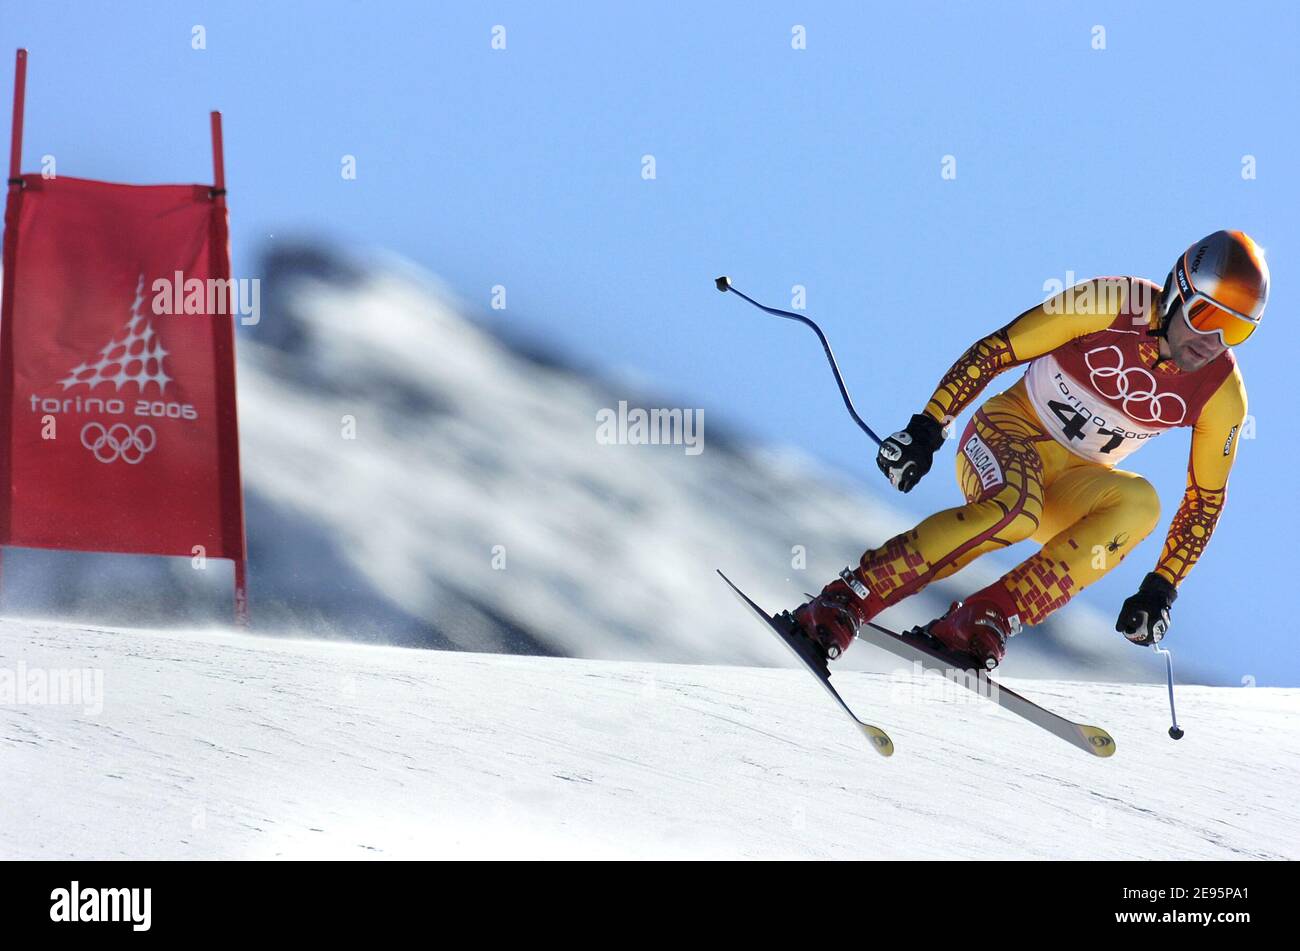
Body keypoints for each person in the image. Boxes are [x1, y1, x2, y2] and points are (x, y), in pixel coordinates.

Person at [790, 230, 1268, 670]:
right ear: (1177, 291)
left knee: (1141, 503)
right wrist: (927, 428)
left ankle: (982, 619)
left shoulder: (1222, 393)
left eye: (1236, 330)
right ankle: (847, 598)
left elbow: (1205, 500)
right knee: (1016, 508)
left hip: (1069, 485)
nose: (1213, 341)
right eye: (1207, 316)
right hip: (1005, 433)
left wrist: (1161, 588)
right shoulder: (1111, 302)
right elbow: (998, 349)